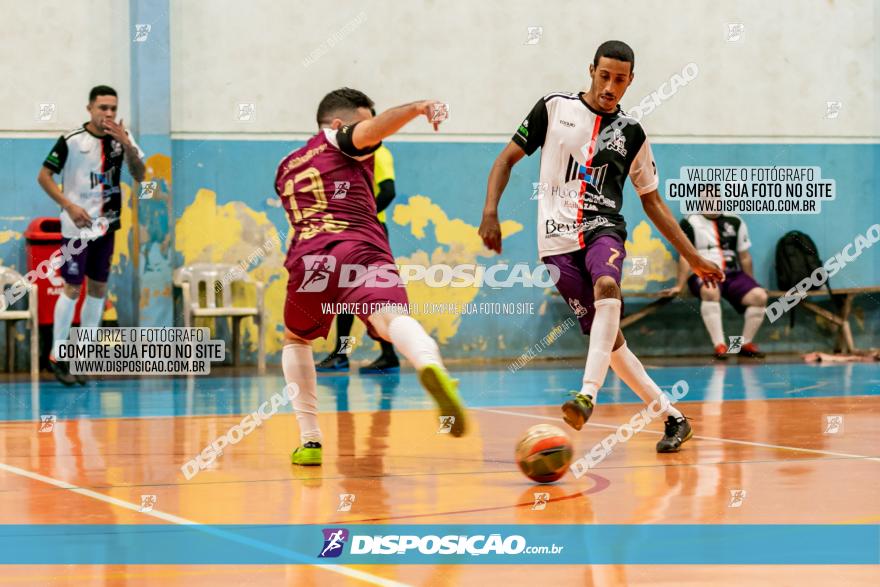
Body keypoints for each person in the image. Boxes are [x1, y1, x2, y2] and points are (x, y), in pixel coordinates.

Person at [479, 41, 724, 453]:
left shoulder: (632, 133)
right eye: (604, 75)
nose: (611, 86)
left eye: (620, 79)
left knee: (608, 288)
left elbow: (653, 201)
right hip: (554, 242)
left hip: (603, 228)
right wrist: (490, 211)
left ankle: (586, 396)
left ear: (631, 81)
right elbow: (505, 159)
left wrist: (693, 257)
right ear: (591, 70)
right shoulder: (552, 108)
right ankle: (674, 418)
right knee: (609, 344)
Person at [276, 88, 467, 466]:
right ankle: (430, 364)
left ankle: (310, 441)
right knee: (387, 320)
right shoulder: (339, 139)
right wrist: (417, 107)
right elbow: (370, 131)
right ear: (337, 124)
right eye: (361, 124)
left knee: (296, 338)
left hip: (308, 259)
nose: (369, 133)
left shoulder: (287, 165)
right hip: (358, 247)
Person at [38, 85, 145, 386]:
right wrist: (68, 205)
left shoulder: (122, 139)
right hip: (77, 228)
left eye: (113, 108)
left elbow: (141, 174)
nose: (108, 114)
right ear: (90, 109)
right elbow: (43, 176)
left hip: (107, 227)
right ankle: (57, 355)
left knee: (98, 290)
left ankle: (83, 356)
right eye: (103, 108)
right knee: (73, 288)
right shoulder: (71, 141)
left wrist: (126, 143)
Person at [316, 116, 400, 374]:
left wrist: (363, 217)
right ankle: (359, 355)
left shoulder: (380, 154)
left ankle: (383, 355)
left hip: (370, 233)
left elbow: (388, 192)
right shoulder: (351, 158)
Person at [661, 195, 768, 359]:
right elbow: (684, 256)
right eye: (706, 199)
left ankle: (744, 344)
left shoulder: (735, 221)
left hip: (732, 274)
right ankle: (720, 345)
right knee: (711, 292)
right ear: (700, 202)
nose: (712, 202)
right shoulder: (690, 222)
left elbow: (745, 257)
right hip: (704, 274)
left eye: (715, 198)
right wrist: (679, 285)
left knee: (759, 296)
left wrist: (751, 282)